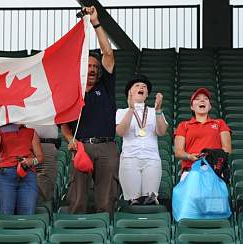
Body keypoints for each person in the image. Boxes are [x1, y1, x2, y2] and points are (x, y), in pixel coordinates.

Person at [60, 6, 119, 214]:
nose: (92, 69)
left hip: (107, 147)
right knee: (77, 198)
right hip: (81, 148)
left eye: (95, 67)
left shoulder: (106, 87)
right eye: (89, 66)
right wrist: (71, 140)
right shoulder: (71, 92)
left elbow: (108, 53)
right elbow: (64, 126)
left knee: (106, 199)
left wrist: (95, 23)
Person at [115, 75, 168, 205]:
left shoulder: (153, 111)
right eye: (137, 86)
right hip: (129, 158)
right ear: (130, 92)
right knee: (134, 200)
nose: (141, 88)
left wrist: (158, 111)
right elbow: (121, 132)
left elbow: (161, 132)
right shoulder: (122, 111)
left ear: (147, 94)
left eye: (144, 87)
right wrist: (131, 109)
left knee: (150, 199)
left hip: (152, 159)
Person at [174, 88, 231, 181]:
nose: (202, 100)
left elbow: (227, 149)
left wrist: (210, 157)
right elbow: (178, 152)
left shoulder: (220, 123)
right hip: (191, 171)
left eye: (205, 98)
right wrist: (190, 156)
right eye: (197, 99)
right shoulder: (183, 125)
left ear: (210, 106)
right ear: (192, 107)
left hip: (214, 171)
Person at [0, 124, 44, 215]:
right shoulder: (1, 130)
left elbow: (40, 157)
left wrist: (31, 161)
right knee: (4, 213)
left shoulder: (31, 131)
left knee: (27, 214)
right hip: (6, 174)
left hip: (27, 173)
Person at [27, 124, 60, 203]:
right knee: (25, 182)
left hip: (46, 144)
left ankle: (41, 214)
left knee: (45, 186)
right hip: (26, 143)